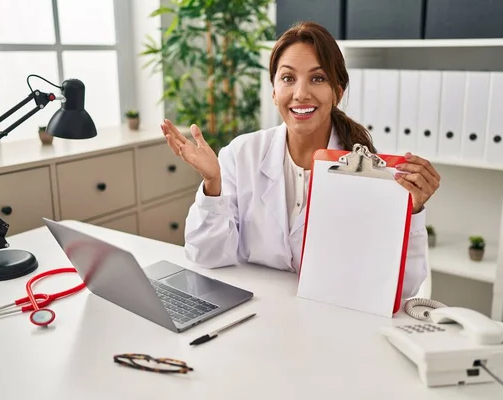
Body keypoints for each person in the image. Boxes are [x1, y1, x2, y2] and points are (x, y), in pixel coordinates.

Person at [160, 21, 441, 298]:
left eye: (317, 78)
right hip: (256, 315)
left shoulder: (367, 170)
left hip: (329, 318)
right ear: (273, 92)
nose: (300, 93)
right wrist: (213, 184)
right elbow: (206, 255)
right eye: (288, 78)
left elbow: (402, 287)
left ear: (337, 93)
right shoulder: (241, 154)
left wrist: (412, 212)